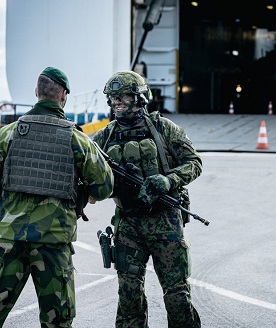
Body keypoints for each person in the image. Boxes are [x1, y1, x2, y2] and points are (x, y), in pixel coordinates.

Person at [0, 66, 114, 328]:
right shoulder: (77, 139)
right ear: (64, 96)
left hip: (8, 239)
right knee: (57, 320)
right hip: (54, 243)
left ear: (36, 92)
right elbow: (104, 186)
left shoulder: (7, 134)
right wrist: (83, 191)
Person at [92, 70, 203, 328]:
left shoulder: (164, 129)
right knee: (129, 296)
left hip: (165, 222)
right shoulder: (104, 137)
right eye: (113, 98)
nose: (116, 102)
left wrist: (168, 180)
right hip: (128, 224)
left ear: (140, 97)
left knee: (177, 295)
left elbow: (194, 163)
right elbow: (86, 172)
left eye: (123, 97)